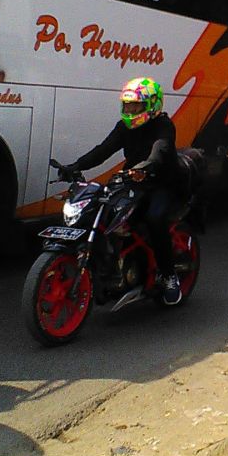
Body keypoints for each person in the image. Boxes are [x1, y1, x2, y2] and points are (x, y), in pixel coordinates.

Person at [64, 77, 186, 305]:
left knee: (154, 218)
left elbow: (160, 152)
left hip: (162, 183)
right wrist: (75, 166)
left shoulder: (163, 125)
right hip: (132, 180)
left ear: (152, 105)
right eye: (127, 105)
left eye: (136, 106)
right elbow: (103, 150)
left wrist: (142, 168)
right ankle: (111, 270)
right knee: (105, 213)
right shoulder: (124, 127)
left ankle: (169, 276)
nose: (130, 110)